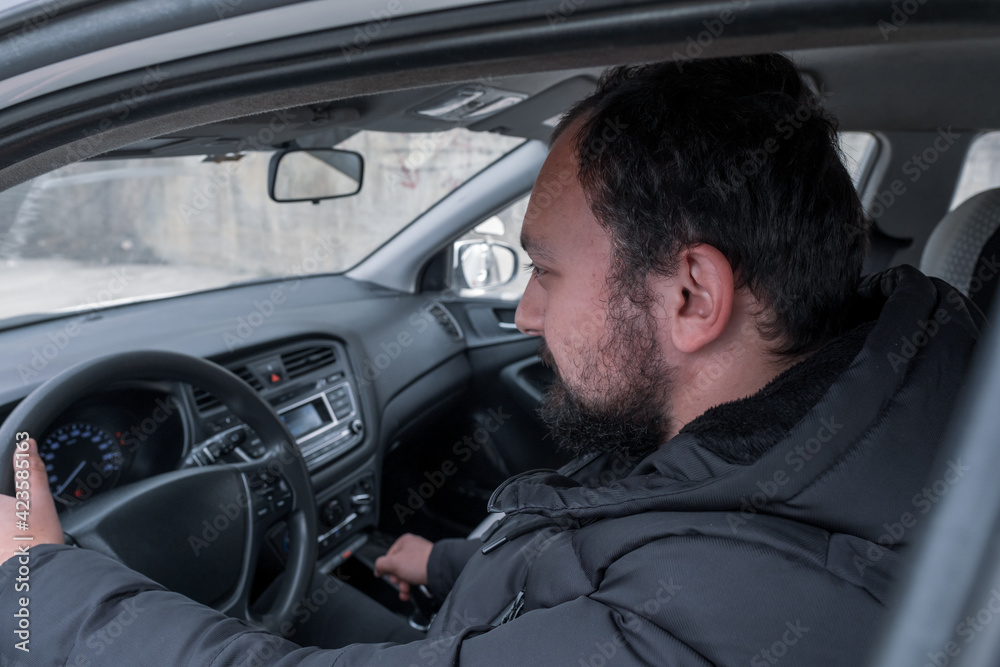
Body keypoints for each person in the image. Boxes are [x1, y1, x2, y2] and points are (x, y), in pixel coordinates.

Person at [0, 54, 985, 665]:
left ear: (690, 295)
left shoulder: (735, 615)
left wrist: (47, 585)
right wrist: (450, 563)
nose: (522, 308)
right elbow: (647, 525)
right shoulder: (879, 399)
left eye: (547, 269)